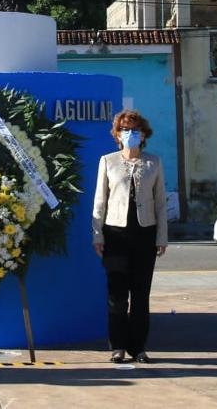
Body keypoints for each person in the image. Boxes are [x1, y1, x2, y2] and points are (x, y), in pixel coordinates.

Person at [91, 109, 168, 363]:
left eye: (135, 130)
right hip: (115, 233)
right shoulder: (108, 161)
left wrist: (161, 237)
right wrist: (97, 235)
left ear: (144, 134)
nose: (130, 134)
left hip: (145, 233)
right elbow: (100, 202)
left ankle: (139, 347)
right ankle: (118, 346)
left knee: (140, 294)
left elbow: (160, 203)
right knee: (117, 294)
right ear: (117, 134)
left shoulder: (153, 162)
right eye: (125, 130)